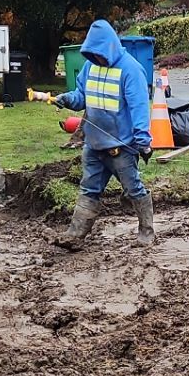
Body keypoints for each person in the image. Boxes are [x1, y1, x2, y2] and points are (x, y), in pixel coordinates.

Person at [54, 19, 154, 248]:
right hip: (94, 143)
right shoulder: (90, 66)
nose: (96, 58)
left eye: (99, 53)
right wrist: (69, 99)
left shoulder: (130, 69)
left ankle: (146, 231)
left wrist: (142, 140)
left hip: (121, 148)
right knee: (89, 188)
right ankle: (75, 234)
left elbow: (139, 106)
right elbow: (82, 96)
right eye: (92, 53)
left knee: (133, 188)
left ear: (109, 47)